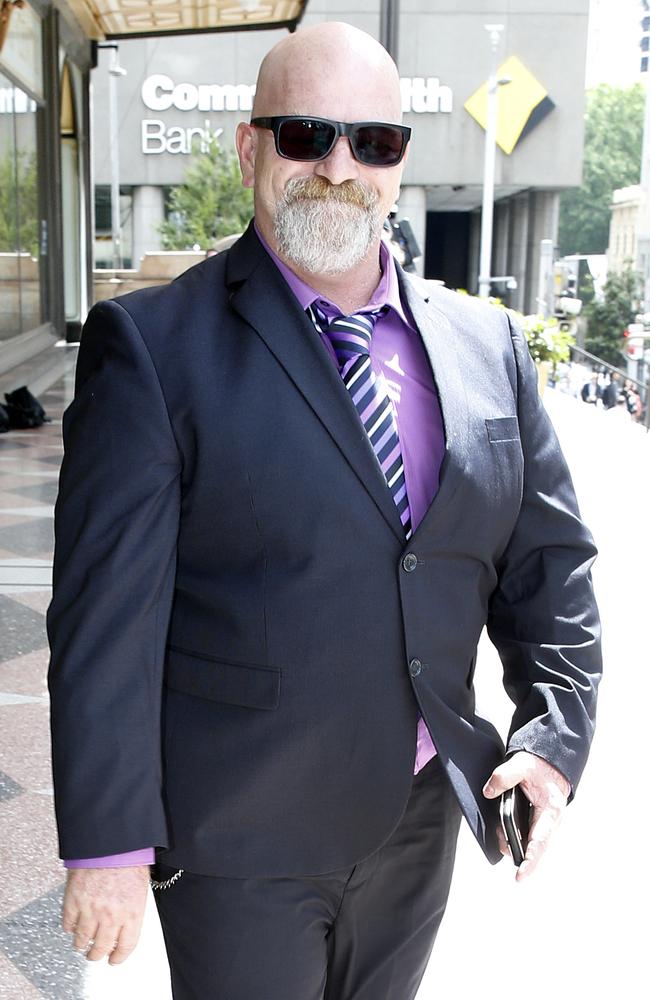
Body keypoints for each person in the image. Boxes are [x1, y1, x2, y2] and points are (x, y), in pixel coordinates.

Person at [47, 22, 602, 1000]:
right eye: (306, 135)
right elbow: (104, 624)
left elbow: (547, 569)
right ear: (249, 146)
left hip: (419, 819)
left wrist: (551, 742)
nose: (338, 167)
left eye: (371, 142)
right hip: (239, 837)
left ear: (397, 162)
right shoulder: (149, 348)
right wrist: (107, 841)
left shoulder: (487, 349)